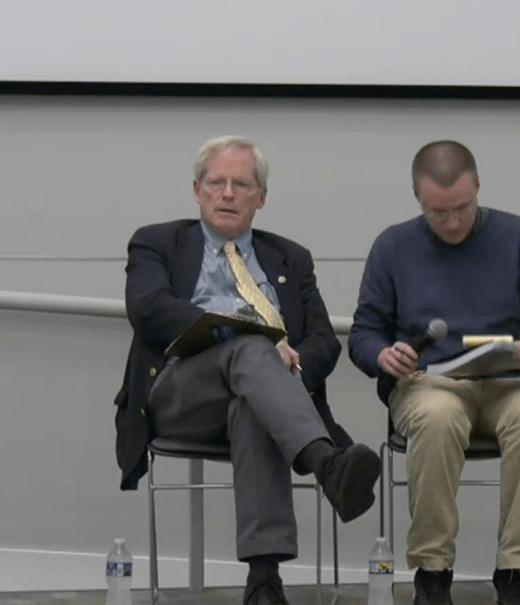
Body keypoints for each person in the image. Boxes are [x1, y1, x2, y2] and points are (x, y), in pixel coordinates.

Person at [114, 135, 382, 605]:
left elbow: (322, 340)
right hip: (180, 392)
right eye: (216, 182)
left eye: (241, 184)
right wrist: (247, 336)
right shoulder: (156, 242)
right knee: (252, 348)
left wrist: (287, 370)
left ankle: (264, 581)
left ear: (262, 197)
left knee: (253, 402)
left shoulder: (290, 258)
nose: (228, 193)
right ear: (197, 191)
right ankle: (325, 463)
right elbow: (150, 310)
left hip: (266, 397)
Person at [349, 140, 520, 605]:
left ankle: (514, 571)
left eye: (462, 208)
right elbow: (364, 332)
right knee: (438, 418)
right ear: (417, 197)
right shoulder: (393, 245)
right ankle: (432, 574)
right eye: (437, 213)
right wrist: (381, 356)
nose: (452, 222)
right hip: (429, 382)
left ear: (478, 186)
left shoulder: (516, 236)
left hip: (509, 380)